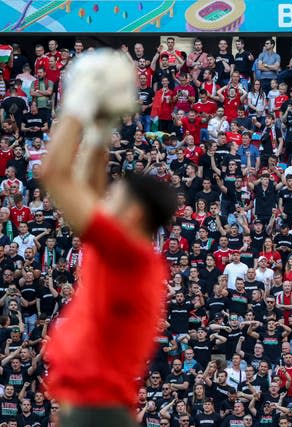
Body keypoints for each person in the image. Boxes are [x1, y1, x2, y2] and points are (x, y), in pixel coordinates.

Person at [42, 50, 177, 427]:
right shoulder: (127, 254)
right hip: (96, 413)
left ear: (132, 214)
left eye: (115, 196)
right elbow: (86, 185)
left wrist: (78, 103)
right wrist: (100, 132)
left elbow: (54, 173)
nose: (103, 199)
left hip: (95, 415)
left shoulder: (127, 254)